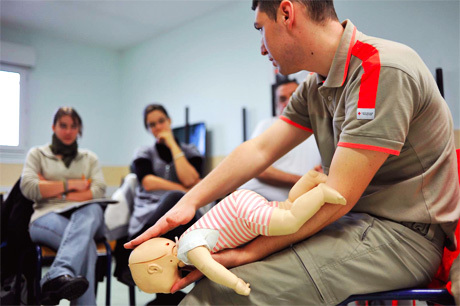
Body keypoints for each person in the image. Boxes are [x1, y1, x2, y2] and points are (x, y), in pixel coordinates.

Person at [125, 1, 460, 305]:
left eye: (261, 29)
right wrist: (189, 201)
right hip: (354, 223)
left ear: (287, 13)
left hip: (402, 238)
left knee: (222, 293)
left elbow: (336, 197)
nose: (261, 48)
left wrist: (248, 252)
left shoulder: (381, 69)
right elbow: (259, 149)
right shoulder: (315, 86)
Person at [129, 170, 345, 296]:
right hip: (239, 203)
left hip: (243, 216)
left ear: (155, 267)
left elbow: (211, 267)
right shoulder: (185, 239)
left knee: (290, 222)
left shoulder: (188, 250)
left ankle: (320, 193)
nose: (174, 288)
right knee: (287, 206)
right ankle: (309, 180)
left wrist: (235, 284)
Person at [117, 103, 204, 305]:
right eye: (152, 124)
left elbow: (191, 179)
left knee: (182, 206)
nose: (158, 127)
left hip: (181, 223)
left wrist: (173, 145)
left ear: (170, 120)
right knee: (176, 198)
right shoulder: (143, 152)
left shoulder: (190, 151)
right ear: (148, 129)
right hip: (147, 222)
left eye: (161, 121)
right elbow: (148, 182)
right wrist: (183, 190)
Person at [20, 107, 107, 305]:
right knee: (88, 248)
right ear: (54, 127)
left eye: (73, 126)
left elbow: (99, 190)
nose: (68, 131)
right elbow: (29, 187)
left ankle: (58, 273)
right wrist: (72, 185)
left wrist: (50, 187)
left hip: (84, 216)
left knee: (93, 208)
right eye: (63, 125)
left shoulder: (89, 158)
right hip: (45, 216)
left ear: (79, 129)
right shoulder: (38, 154)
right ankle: (59, 275)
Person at [238, 78, 322, 201]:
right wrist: (303, 181)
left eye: (294, 95)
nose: (289, 102)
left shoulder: (320, 131)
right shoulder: (268, 125)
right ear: (277, 105)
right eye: (282, 99)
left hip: (297, 205)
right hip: (256, 199)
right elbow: (257, 169)